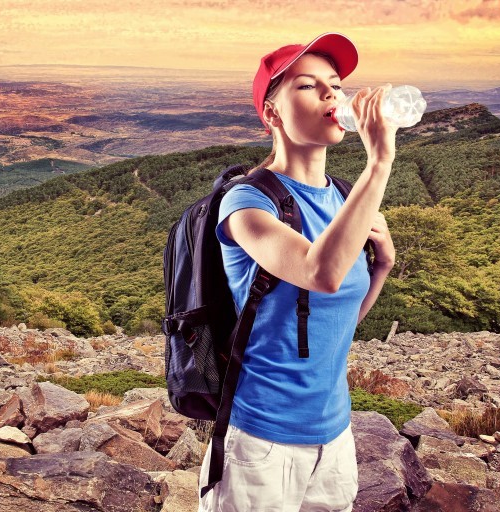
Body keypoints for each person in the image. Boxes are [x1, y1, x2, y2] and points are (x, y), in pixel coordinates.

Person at [197, 33, 397, 512]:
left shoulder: (345, 199)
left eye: (335, 84)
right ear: (271, 113)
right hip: (260, 444)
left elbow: (336, 321)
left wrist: (384, 265)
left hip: (335, 436)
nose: (332, 95)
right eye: (308, 86)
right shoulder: (246, 203)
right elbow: (320, 272)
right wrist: (380, 162)